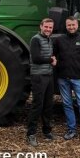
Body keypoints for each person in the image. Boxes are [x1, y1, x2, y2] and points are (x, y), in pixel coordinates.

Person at [54, 16, 80, 145]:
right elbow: (53, 55)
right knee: (67, 104)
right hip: (63, 78)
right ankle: (71, 129)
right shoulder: (60, 40)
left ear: (77, 25)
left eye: (73, 25)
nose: (71, 27)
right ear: (66, 26)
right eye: (69, 25)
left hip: (79, 79)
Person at [26, 18, 57, 147]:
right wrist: (51, 60)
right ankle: (31, 134)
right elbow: (36, 58)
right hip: (38, 76)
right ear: (41, 26)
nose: (48, 29)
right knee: (37, 105)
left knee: (48, 105)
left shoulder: (49, 39)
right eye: (46, 27)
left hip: (49, 76)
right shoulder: (35, 39)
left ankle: (46, 131)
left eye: (50, 27)